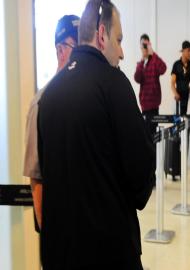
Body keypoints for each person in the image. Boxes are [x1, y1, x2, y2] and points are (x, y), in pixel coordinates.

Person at [38, 1, 155, 269]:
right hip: (109, 253)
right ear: (102, 35)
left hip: (60, 254)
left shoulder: (49, 96)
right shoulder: (114, 84)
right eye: (119, 39)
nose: (123, 52)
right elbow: (141, 185)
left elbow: (48, 177)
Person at [23, 14, 80, 231]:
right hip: (59, 225)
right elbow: (35, 176)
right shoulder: (41, 102)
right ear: (60, 50)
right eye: (77, 47)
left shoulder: (86, 96)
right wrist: (48, 234)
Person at [134, 33, 167, 136]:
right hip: (144, 106)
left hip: (154, 106)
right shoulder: (141, 63)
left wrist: (153, 53)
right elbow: (137, 78)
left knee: (154, 137)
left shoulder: (154, 61)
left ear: (149, 44)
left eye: (146, 45)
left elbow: (163, 69)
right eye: (142, 45)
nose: (144, 47)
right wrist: (142, 60)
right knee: (146, 136)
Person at [171, 40, 190, 115]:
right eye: (188, 51)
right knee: (179, 124)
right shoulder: (176, 65)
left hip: (189, 100)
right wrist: (175, 94)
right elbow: (172, 83)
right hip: (178, 100)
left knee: (188, 123)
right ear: (183, 51)